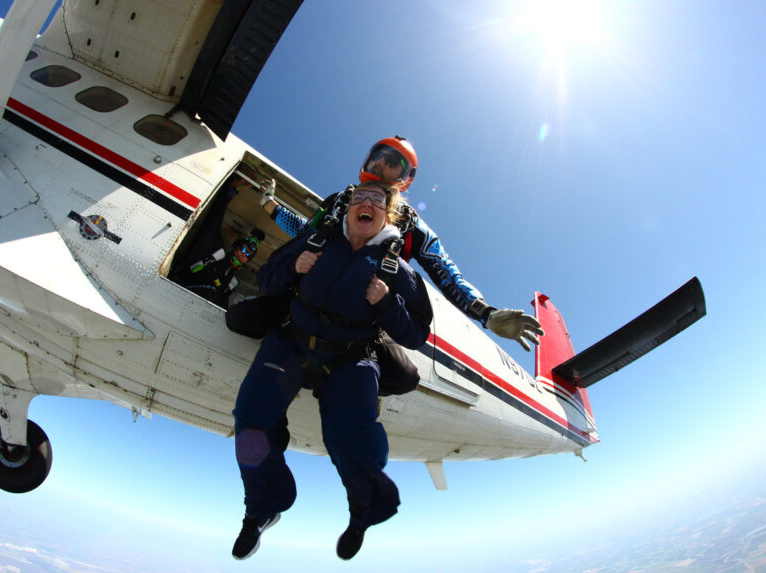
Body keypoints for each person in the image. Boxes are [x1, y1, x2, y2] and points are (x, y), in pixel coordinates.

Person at [231, 181, 431, 561]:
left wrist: (387, 304)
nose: (367, 203)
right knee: (251, 417)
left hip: (350, 355)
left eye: (377, 200)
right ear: (350, 206)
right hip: (291, 340)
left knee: (353, 442)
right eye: (360, 198)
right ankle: (263, 506)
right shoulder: (317, 241)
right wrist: (293, 265)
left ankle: (362, 514)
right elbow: (267, 278)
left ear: (387, 215)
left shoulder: (398, 270)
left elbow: (417, 333)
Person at [257, 135, 544, 351]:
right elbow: (306, 234)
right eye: (377, 156)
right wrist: (270, 205)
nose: (381, 164)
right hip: (312, 301)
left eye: (393, 162)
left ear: (405, 177)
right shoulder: (340, 201)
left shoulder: (412, 226)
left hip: (363, 316)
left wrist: (486, 313)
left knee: (404, 375)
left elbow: (446, 274)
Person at [174, 227, 265, 308]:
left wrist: (216, 279)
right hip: (187, 287)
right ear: (236, 247)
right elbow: (192, 269)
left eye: (248, 255)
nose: (243, 254)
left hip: (201, 303)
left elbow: (221, 298)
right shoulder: (219, 255)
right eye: (243, 249)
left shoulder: (234, 281)